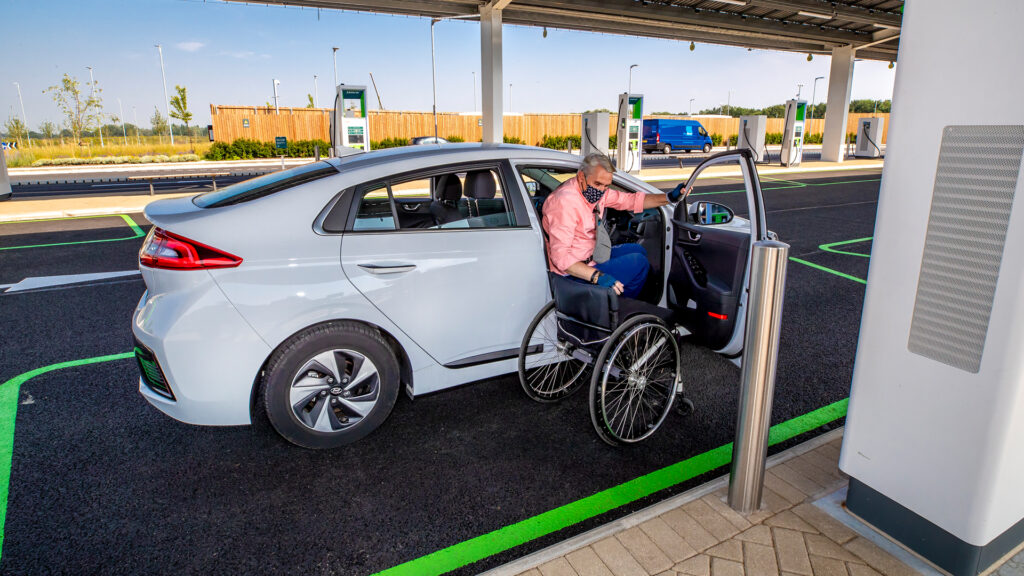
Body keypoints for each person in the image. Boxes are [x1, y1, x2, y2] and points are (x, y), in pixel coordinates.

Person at [542, 153, 683, 299]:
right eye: (597, 184)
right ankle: (620, 306)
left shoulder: (595, 192)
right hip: (571, 274)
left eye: (606, 186)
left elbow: (629, 201)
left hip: (590, 256)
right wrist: (597, 276)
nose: (601, 191)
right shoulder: (565, 203)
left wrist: (669, 197)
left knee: (638, 250)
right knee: (639, 263)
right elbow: (562, 258)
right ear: (581, 177)